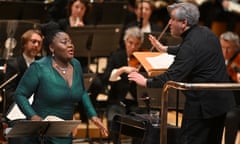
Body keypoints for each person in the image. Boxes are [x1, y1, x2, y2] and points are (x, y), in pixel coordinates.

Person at [128, 2, 236, 144]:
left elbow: (172, 75)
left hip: (202, 107)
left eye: (173, 19)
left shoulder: (190, 46)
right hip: (221, 104)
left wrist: (146, 82)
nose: (169, 23)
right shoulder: (206, 32)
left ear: (184, 23)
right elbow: (191, 49)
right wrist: (165, 49)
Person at [14, 22, 108, 144]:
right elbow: (20, 95)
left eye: (71, 42)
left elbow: (82, 93)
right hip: (41, 135)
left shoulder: (76, 65)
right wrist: (34, 117)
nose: (70, 45)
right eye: (64, 42)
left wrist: (93, 115)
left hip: (64, 133)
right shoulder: (39, 67)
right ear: (52, 48)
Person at [101, 26, 144, 143]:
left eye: (137, 44)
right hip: (117, 100)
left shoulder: (143, 59)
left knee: (142, 124)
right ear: (125, 41)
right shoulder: (116, 56)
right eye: (130, 43)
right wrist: (122, 69)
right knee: (113, 120)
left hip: (136, 102)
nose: (133, 47)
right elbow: (105, 78)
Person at [4, 29, 43, 116]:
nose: (36, 45)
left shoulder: (42, 64)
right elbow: (8, 93)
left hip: (38, 108)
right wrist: (24, 101)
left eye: (39, 43)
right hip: (18, 109)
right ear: (25, 43)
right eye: (34, 42)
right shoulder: (14, 64)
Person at [220, 31, 240, 144]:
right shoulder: (217, 59)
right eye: (222, 47)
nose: (225, 51)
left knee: (231, 117)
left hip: (236, 103)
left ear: (236, 47)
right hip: (222, 101)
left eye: (229, 48)